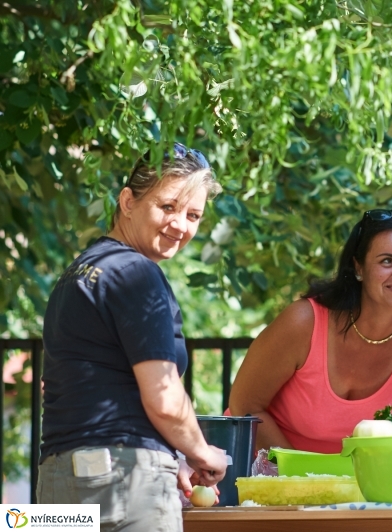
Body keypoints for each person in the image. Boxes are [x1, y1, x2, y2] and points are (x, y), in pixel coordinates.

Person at [39, 143, 229, 531]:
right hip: (122, 479)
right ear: (128, 201)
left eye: (193, 215)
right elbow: (164, 398)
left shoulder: (79, 273)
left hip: (56, 480)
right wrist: (203, 453)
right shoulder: (137, 273)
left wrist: (170, 457)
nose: (181, 225)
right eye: (168, 207)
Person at [229, 209, 392, 453]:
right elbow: (245, 404)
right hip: (257, 470)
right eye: (387, 261)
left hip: (349, 485)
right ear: (358, 268)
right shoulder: (303, 322)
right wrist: (300, 477)